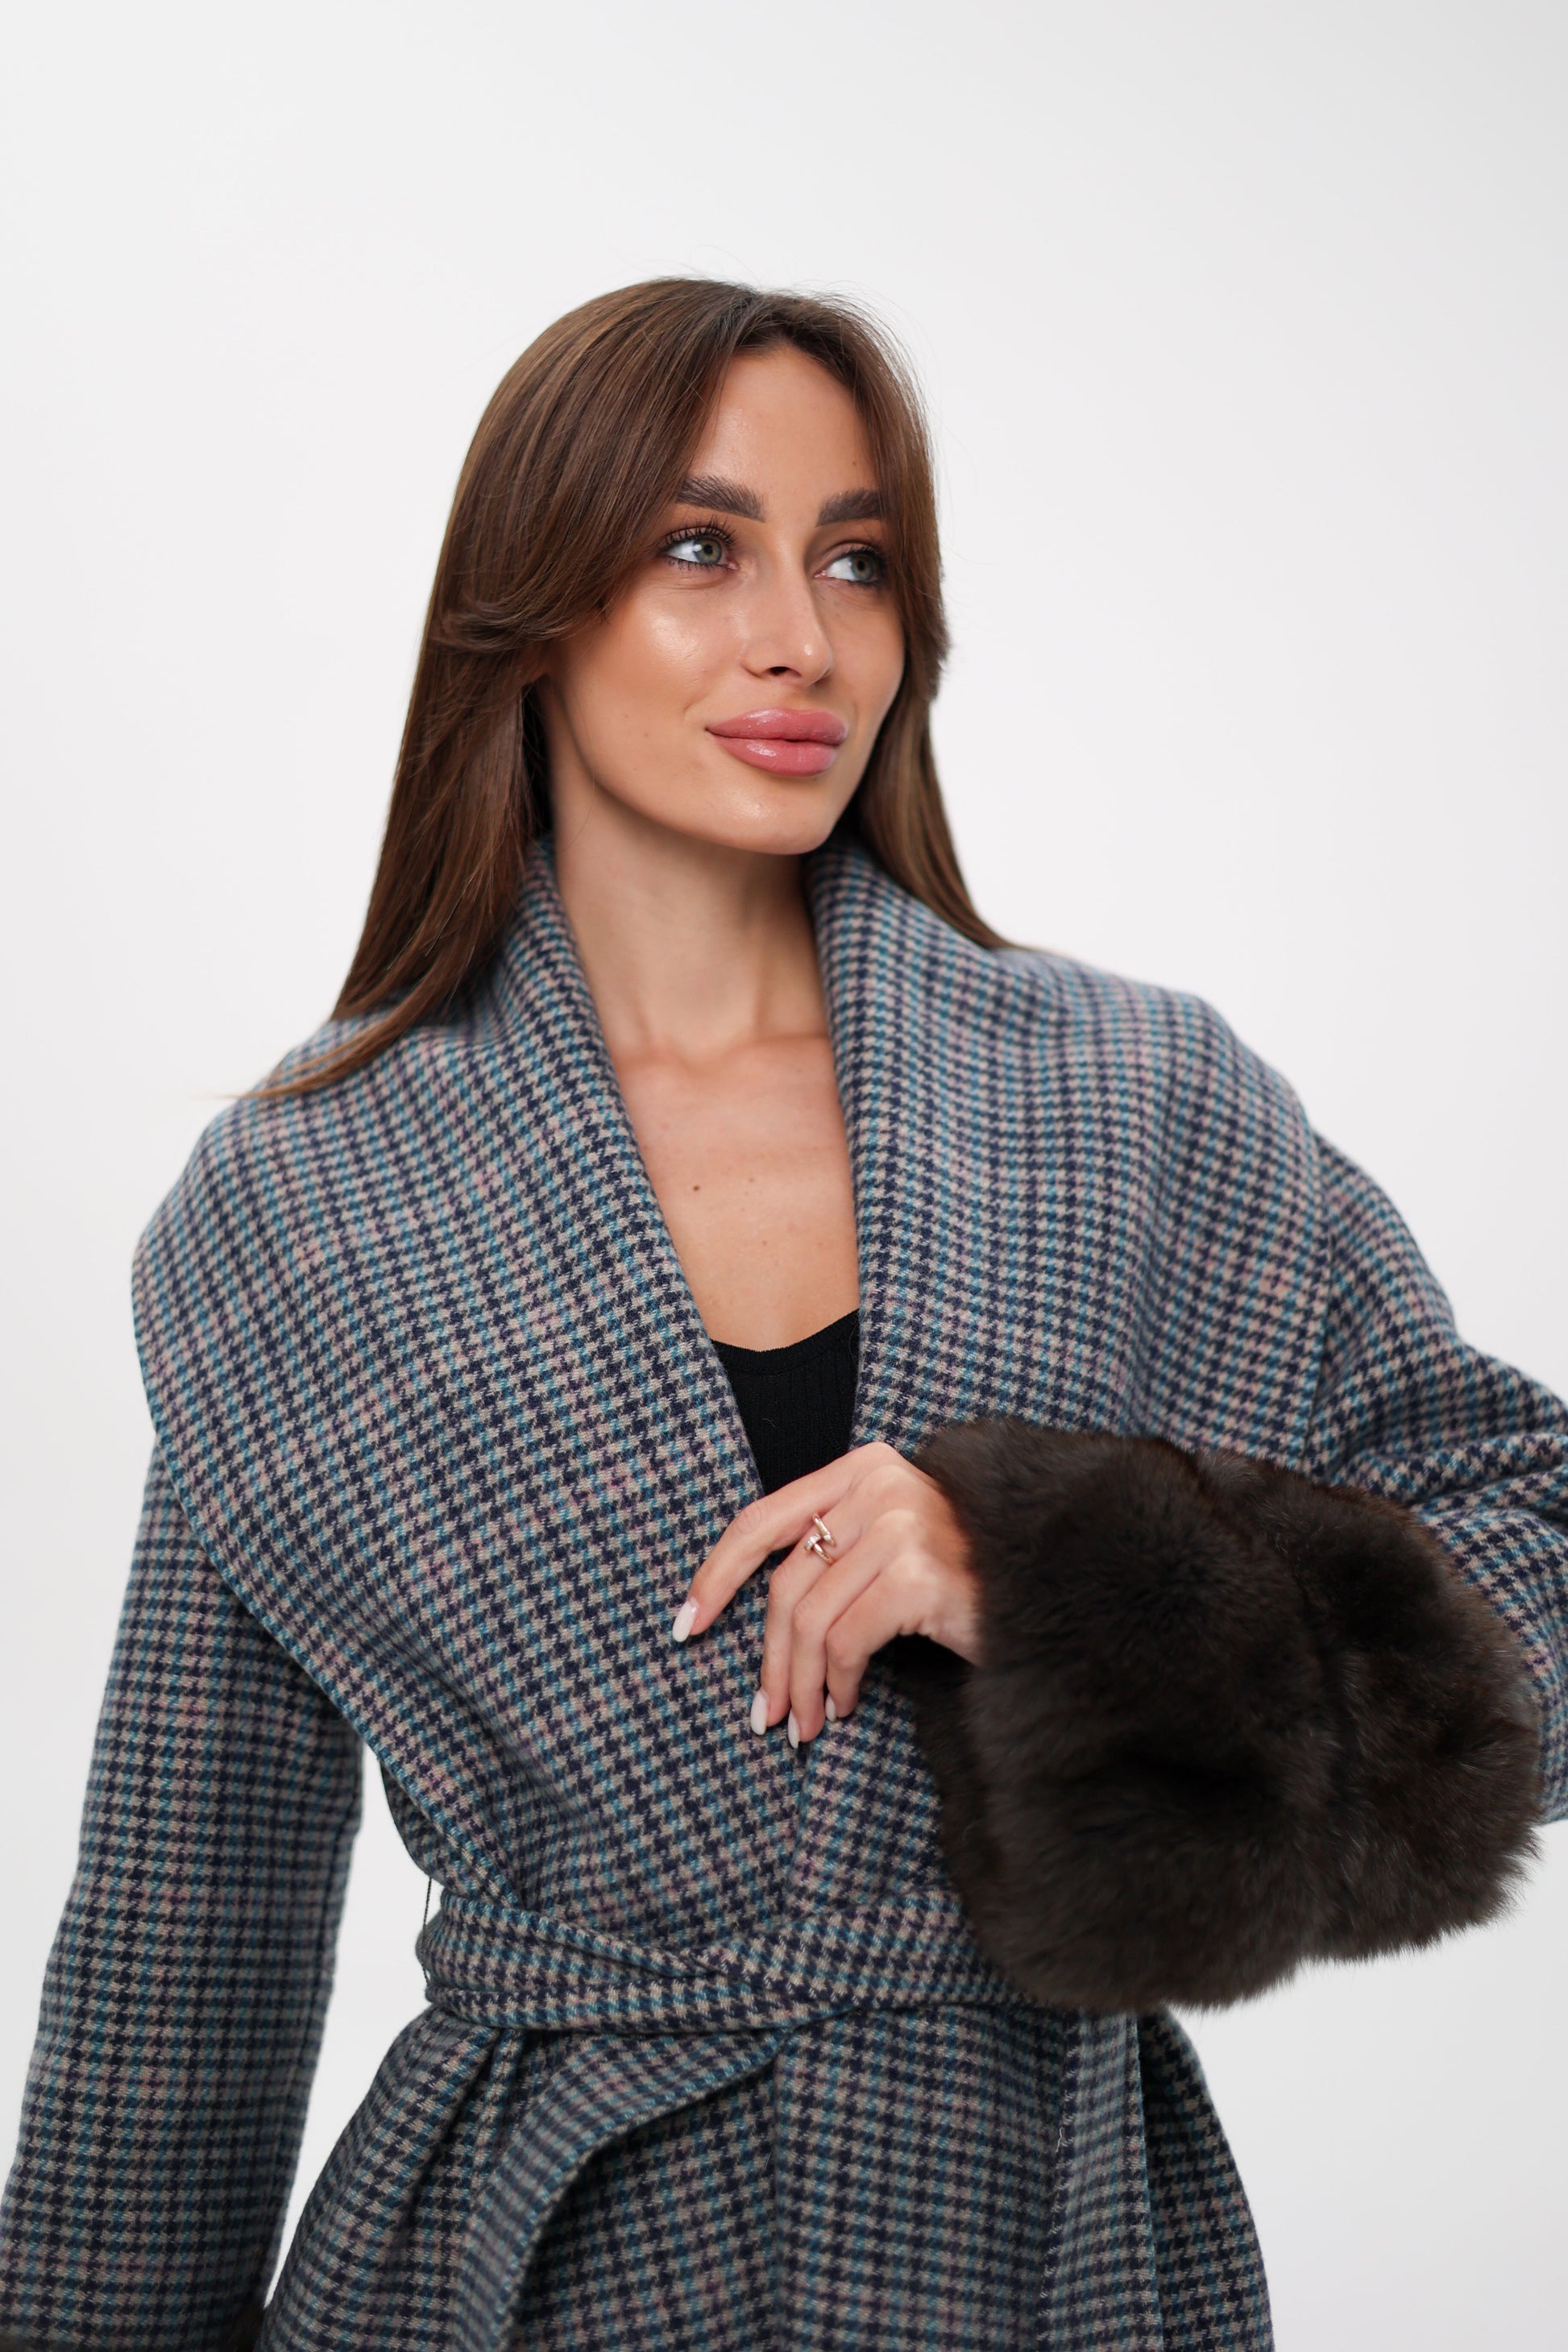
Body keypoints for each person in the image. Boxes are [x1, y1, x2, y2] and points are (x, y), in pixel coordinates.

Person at [0, 276, 1561, 2352]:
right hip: (517, 2272)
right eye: (698, 547)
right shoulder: (302, 1202)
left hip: (1049, 2246)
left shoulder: (1129, 1103)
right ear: (528, 611)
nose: (801, 640)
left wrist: (1079, 1581)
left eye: (858, 561)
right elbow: (183, 1948)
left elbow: (1544, 1553)